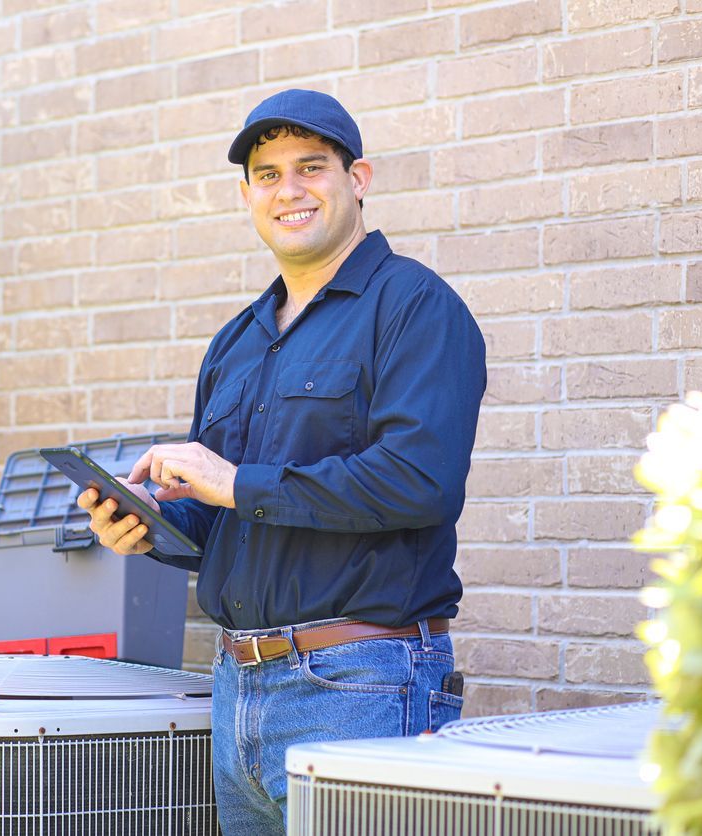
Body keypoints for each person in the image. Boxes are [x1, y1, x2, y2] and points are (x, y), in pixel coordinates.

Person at [77, 89, 487, 833]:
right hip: (236, 687)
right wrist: (155, 526)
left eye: (311, 167)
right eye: (267, 174)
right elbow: (229, 515)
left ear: (357, 178)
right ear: (247, 194)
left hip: (359, 684)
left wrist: (233, 484)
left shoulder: (415, 307)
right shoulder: (237, 340)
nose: (288, 190)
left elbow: (419, 481)